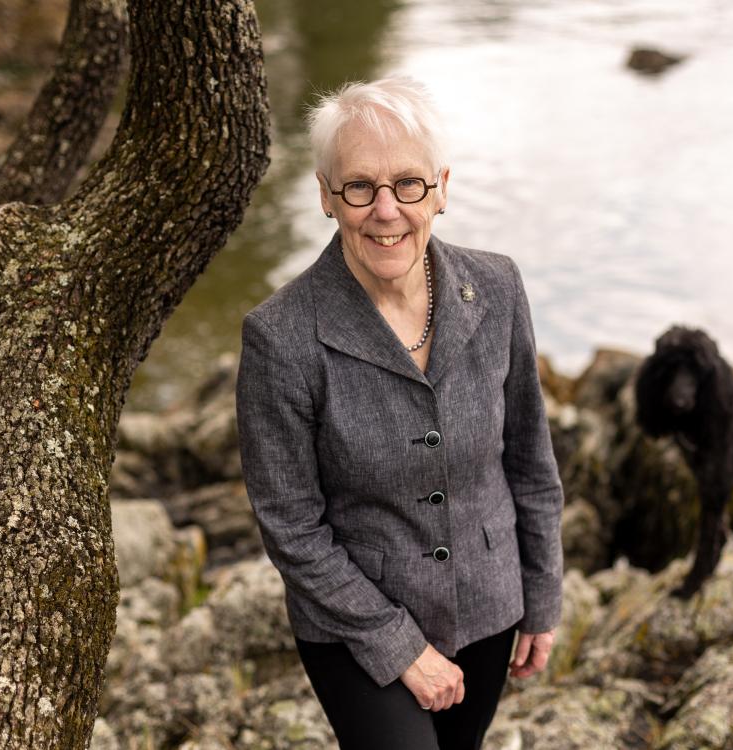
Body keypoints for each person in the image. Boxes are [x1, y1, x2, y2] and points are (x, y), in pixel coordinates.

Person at [235, 76, 564, 750]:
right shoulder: (280, 337)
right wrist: (398, 646)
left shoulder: (498, 287)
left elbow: (531, 459)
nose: (386, 210)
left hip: (489, 605)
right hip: (353, 624)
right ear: (327, 196)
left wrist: (543, 592)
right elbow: (291, 525)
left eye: (408, 184)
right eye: (360, 187)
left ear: (441, 188)